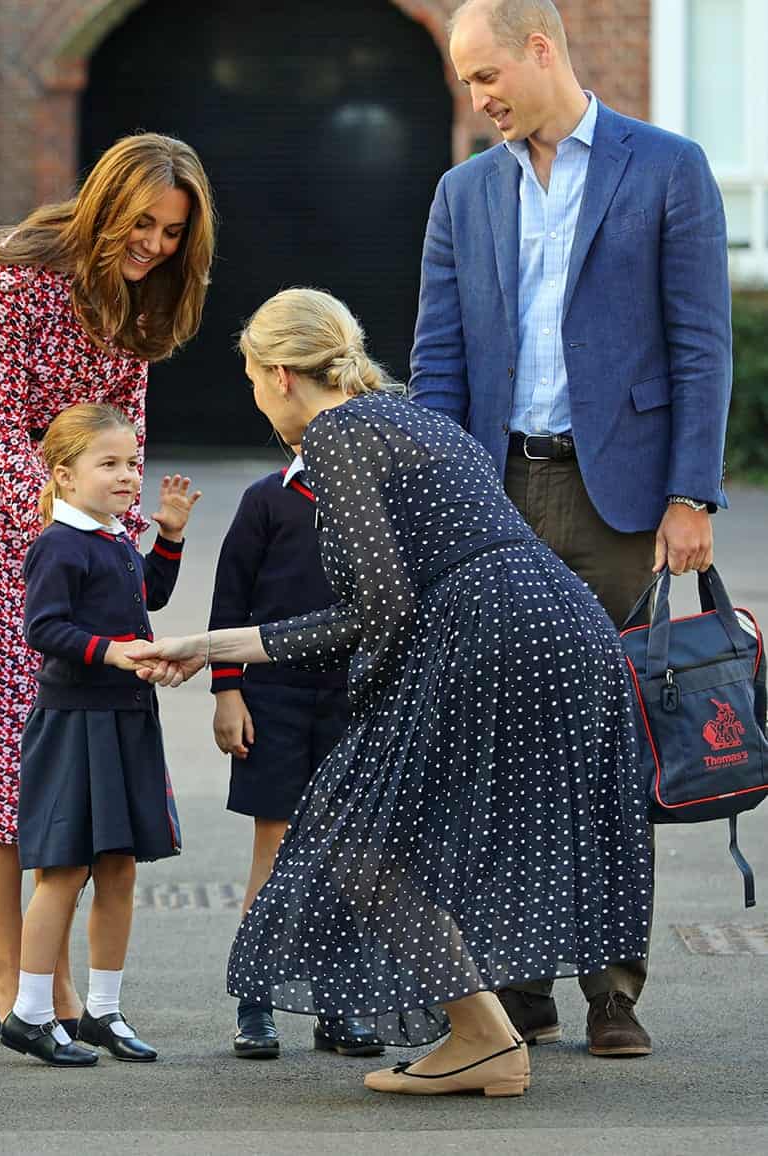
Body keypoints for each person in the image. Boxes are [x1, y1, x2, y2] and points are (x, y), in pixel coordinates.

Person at [127, 287, 652, 1098]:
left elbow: (380, 610)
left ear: (278, 374)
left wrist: (220, 647)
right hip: (561, 626)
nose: (256, 398)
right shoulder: (412, 417)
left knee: (356, 836)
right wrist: (209, 646)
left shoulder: (337, 437)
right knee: (441, 832)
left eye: (250, 380)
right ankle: (489, 1032)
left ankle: (483, 1036)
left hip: (486, 636)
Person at [409, 0, 732, 1056]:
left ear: (542, 48)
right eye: (467, 83)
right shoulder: (463, 192)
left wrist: (691, 496)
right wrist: (435, 504)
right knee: (499, 742)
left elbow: (699, 343)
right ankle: (520, 982)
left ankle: (614, 988)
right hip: (496, 495)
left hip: (620, 504)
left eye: (487, 74)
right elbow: (439, 363)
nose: (479, 97)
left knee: (610, 741)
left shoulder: (665, 166)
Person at [0, 132, 216, 1034]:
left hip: (80, 517)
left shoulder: (147, 294)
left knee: (68, 744)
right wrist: (60, 541)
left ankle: (52, 974)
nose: (153, 245)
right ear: (106, 202)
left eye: (172, 234)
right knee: (4, 747)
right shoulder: (16, 271)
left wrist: (119, 536)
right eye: (142, 224)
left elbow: (127, 426)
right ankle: (15, 973)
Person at [0, 403, 199, 1067]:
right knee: (64, 869)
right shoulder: (58, 543)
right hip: (76, 724)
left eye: (132, 463)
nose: (127, 475)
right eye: (109, 463)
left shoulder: (114, 538)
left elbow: (149, 595)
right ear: (65, 473)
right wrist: (112, 653)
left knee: (118, 868)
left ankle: (103, 1013)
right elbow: (44, 628)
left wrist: (168, 537)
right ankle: (29, 1013)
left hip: (127, 720)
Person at [208, 448, 382, 1059]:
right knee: (275, 851)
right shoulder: (267, 499)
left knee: (346, 857)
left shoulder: (378, 499)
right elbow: (230, 600)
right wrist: (227, 691)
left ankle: (339, 1007)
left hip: (353, 698)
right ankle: (255, 1003)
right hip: (272, 695)